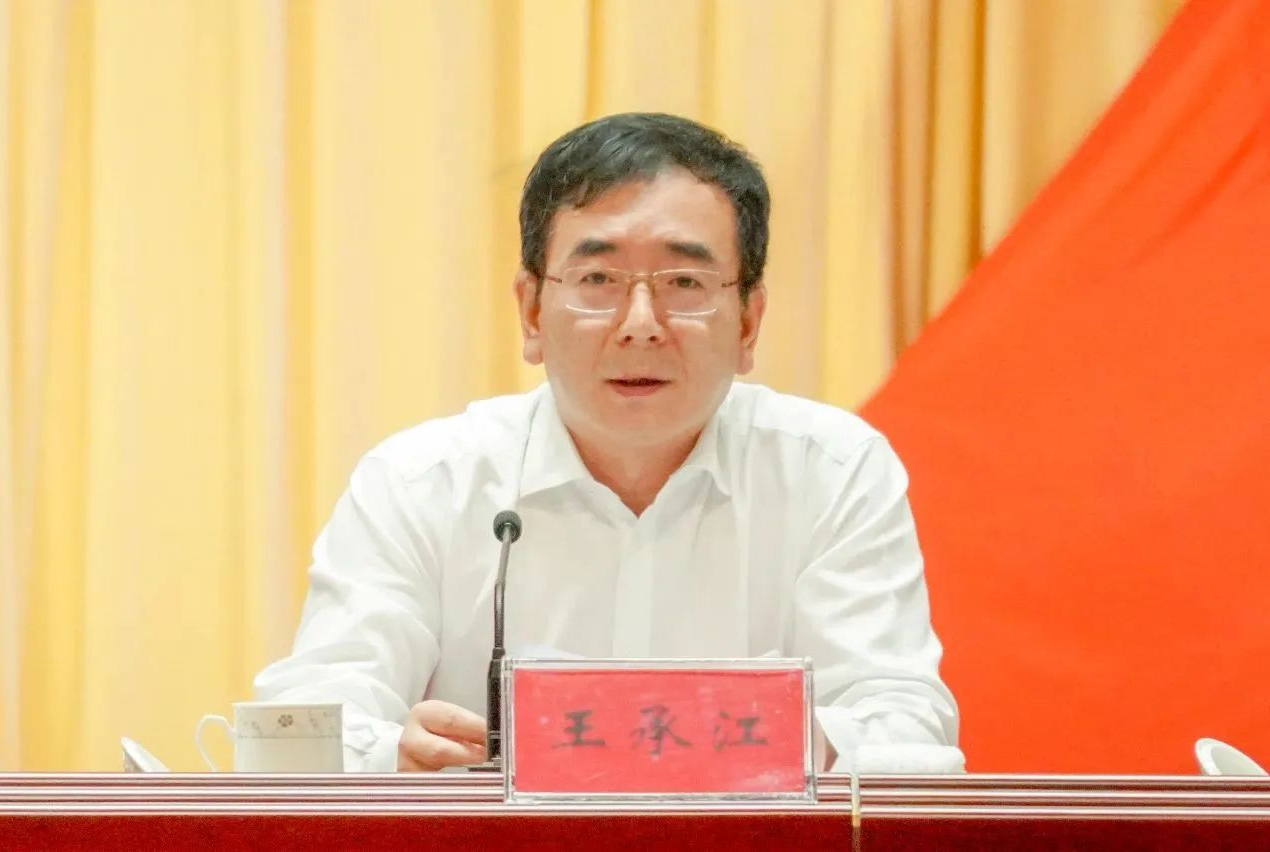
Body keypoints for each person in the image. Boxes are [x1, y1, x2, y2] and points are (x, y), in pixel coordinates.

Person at [254, 112, 962, 773]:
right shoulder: (421, 483)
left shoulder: (831, 472)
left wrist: (756, 739)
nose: (641, 323)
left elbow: (907, 732)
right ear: (532, 312)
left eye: (684, 281)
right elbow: (299, 735)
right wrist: (395, 760)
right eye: (598, 279)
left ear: (749, 321)